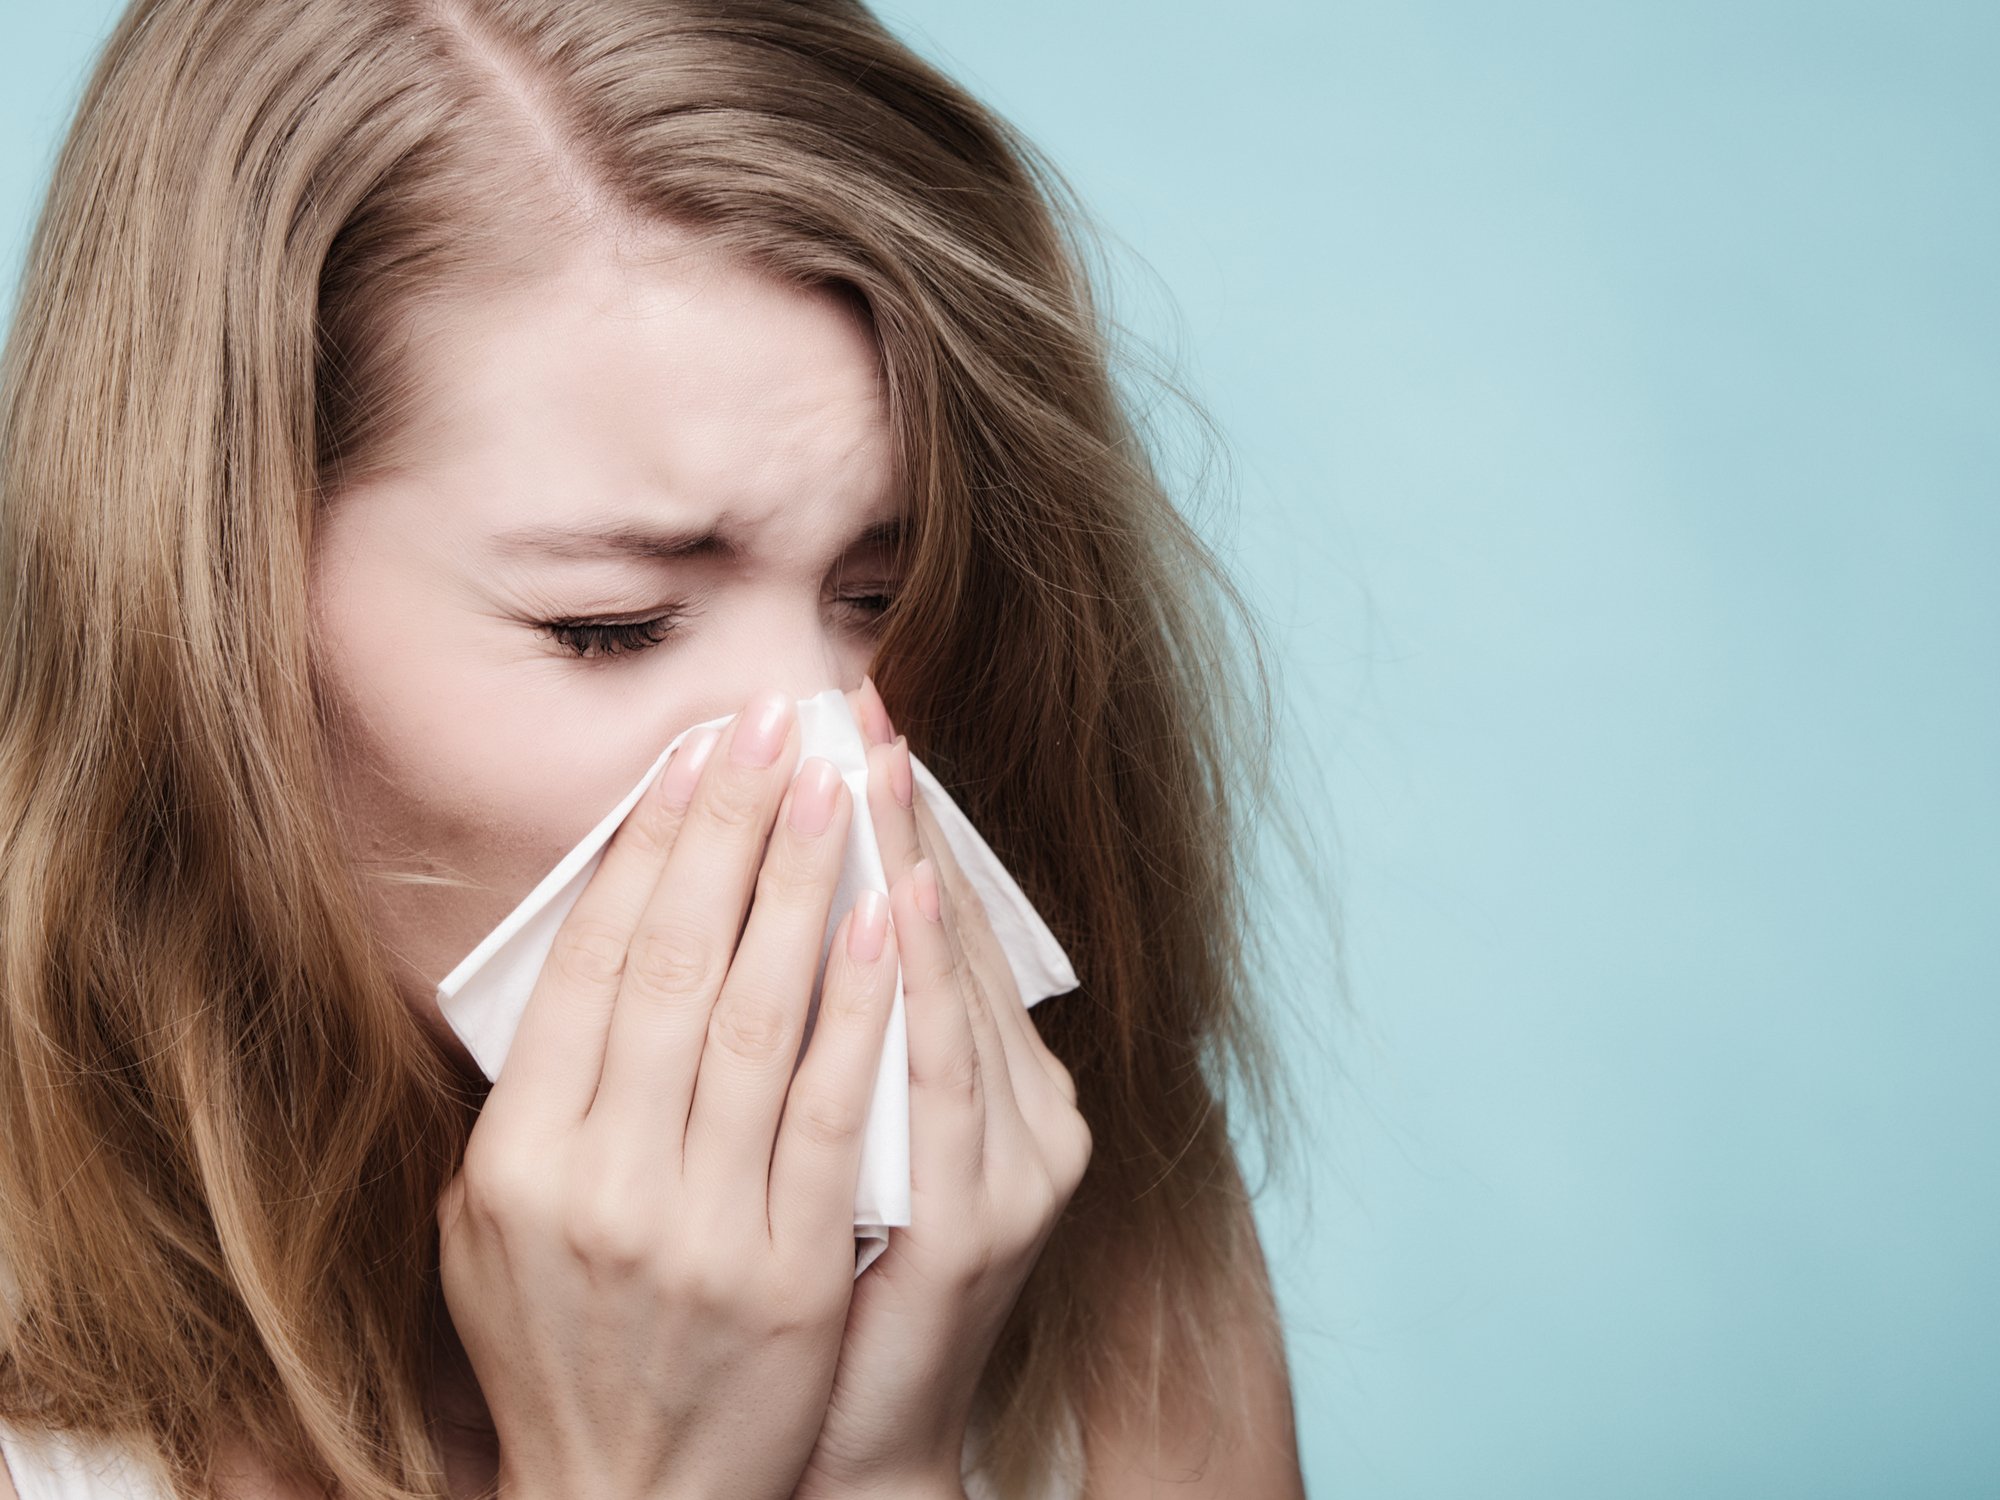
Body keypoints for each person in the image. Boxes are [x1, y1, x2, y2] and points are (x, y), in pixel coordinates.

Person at [0, 1, 1313, 1497]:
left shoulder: (1077, 1184)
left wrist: (880, 1471)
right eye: (610, 627)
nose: (818, 756)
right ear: (201, 608)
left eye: (884, 598)